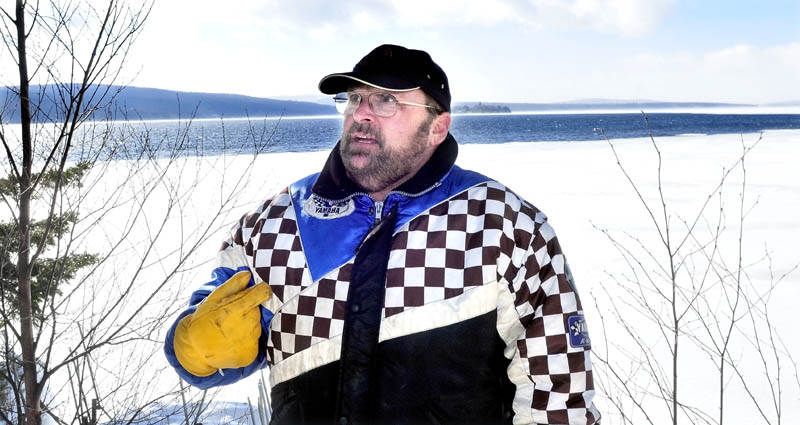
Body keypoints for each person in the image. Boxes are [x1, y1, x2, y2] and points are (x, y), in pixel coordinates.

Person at [164, 44, 601, 425]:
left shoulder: (503, 224)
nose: (362, 113)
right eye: (354, 98)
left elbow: (559, 390)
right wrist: (193, 350)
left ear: (437, 127)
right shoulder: (280, 221)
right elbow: (211, 336)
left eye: (386, 100)